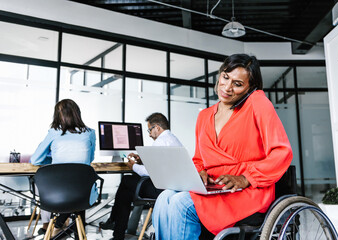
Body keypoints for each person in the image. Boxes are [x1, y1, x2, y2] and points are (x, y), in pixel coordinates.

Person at [152, 54, 293, 239]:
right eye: (225, 77)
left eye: (238, 84)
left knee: (181, 204)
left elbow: (282, 152)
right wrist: (199, 173)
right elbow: (199, 159)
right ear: (220, 74)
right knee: (164, 198)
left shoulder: (257, 103)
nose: (227, 88)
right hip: (213, 187)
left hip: (245, 190)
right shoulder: (204, 116)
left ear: (250, 87)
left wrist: (246, 178)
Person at [99, 112, 182, 240]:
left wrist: (133, 166)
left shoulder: (160, 141)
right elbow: (161, 164)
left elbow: (151, 172)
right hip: (172, 187)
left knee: (126, 182)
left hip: (160, 190)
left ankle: (116, 227)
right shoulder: (172, 139)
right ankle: (116, 227)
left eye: (150, 130)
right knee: (127, 185)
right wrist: (142, 160)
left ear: (157, 128)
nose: (149, 134)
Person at [30, 99, 96, 237]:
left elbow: (36, 159)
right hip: (83, 194)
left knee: (60, 186)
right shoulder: (90, 133)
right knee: (77, 187)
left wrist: (53, 159)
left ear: (57, 115)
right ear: (77, 113)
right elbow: (89, 159)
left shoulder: (54, 132)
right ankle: (63, 227)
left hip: (56, 194)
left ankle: (56, 225)